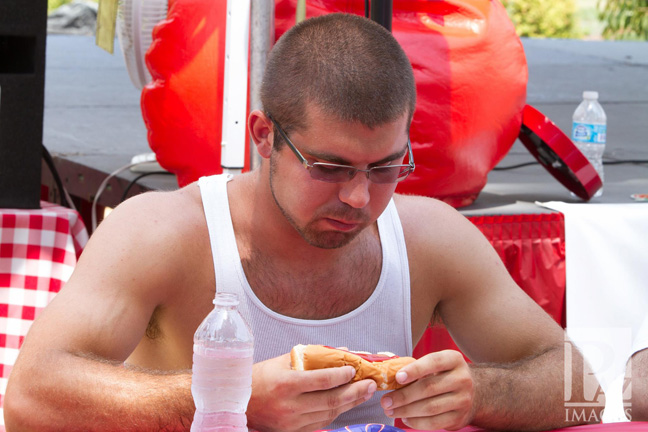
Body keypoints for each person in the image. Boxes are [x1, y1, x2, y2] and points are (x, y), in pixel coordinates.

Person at [5, 13, 599, 432]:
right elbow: (31, 398)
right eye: (331, 167)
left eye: (388, 166)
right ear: (264, 136)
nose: (361, 198)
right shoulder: (163, 233)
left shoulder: (431, 238)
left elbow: (582, 389)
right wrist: (225, 400)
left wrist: (482, 393)